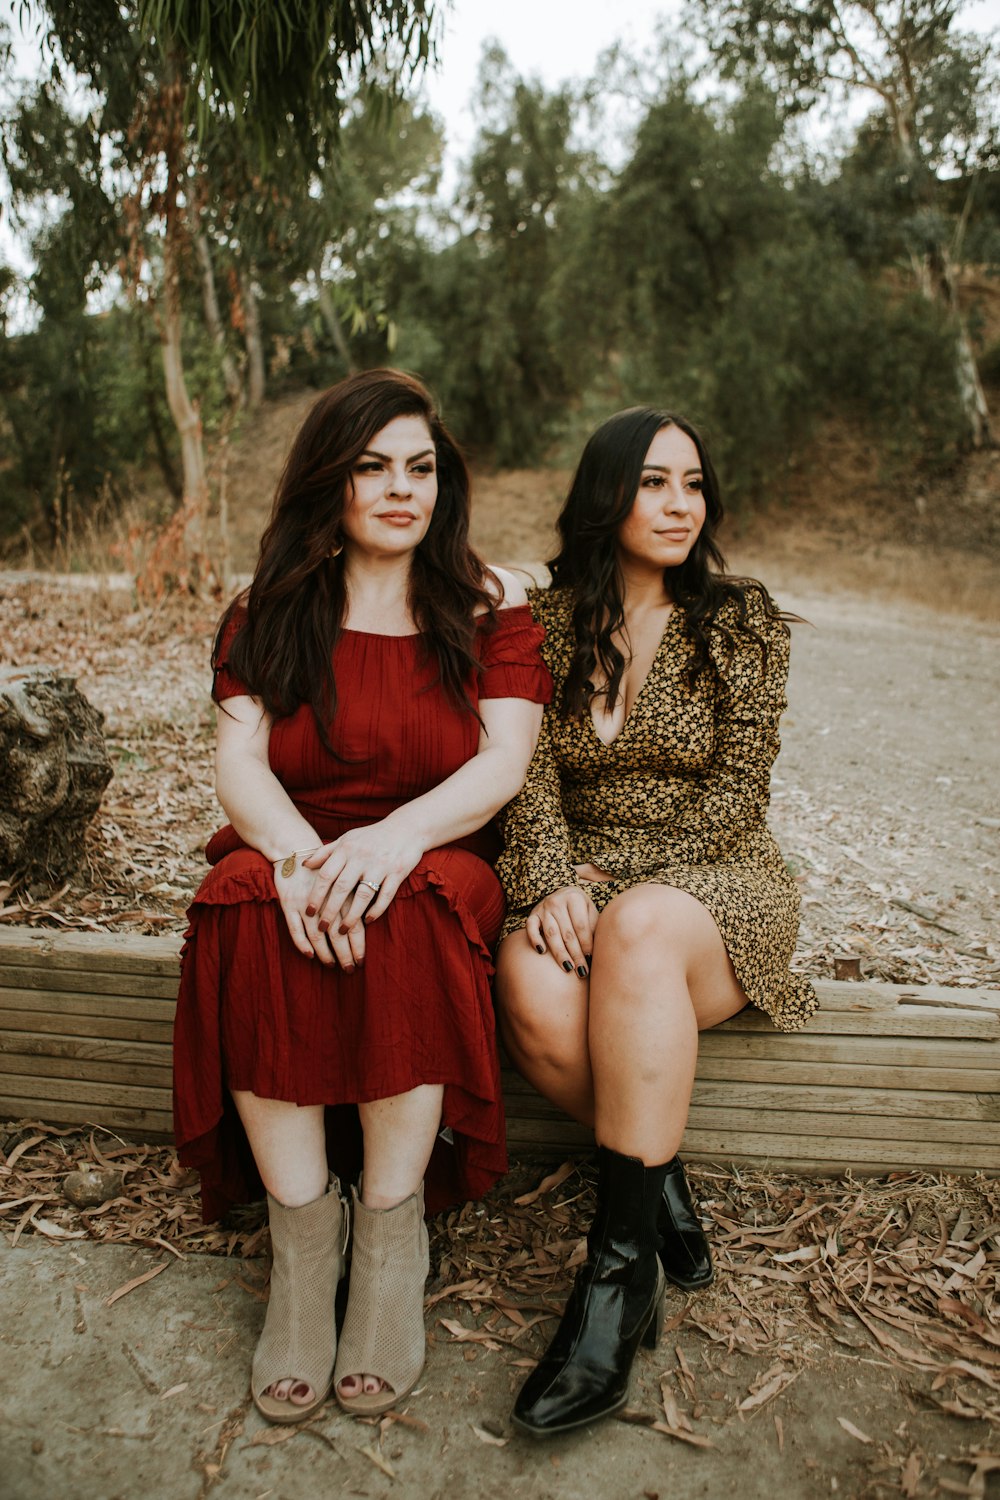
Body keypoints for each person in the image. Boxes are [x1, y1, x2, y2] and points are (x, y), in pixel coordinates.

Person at [172, 369, 549, 1424]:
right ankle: (302, 1246)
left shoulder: (488, 606)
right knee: (244, 900)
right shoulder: (271, 609)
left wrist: (391, 839)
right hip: (296, 838)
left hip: (432, 848)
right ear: (328, 483)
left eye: (420, 468)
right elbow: (241, 766)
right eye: (372, 467)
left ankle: (389, 1238)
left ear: (445, 483)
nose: (400, 488)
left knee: (413, 903)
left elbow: (500, 764)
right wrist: (298, 859)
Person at [493, 406, 817, 1437]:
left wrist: (610, 888)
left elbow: (735, 799)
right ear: (606, 495)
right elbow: (527, 779)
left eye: (693, 483)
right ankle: (654, 1171)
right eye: (653, 483)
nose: (682, 504)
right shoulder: (544, 627)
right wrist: (550, 881)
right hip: (575, 874)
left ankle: (614, 1279)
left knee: (634, 929)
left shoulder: (740, 622)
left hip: (714, 885)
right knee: (533, 990)